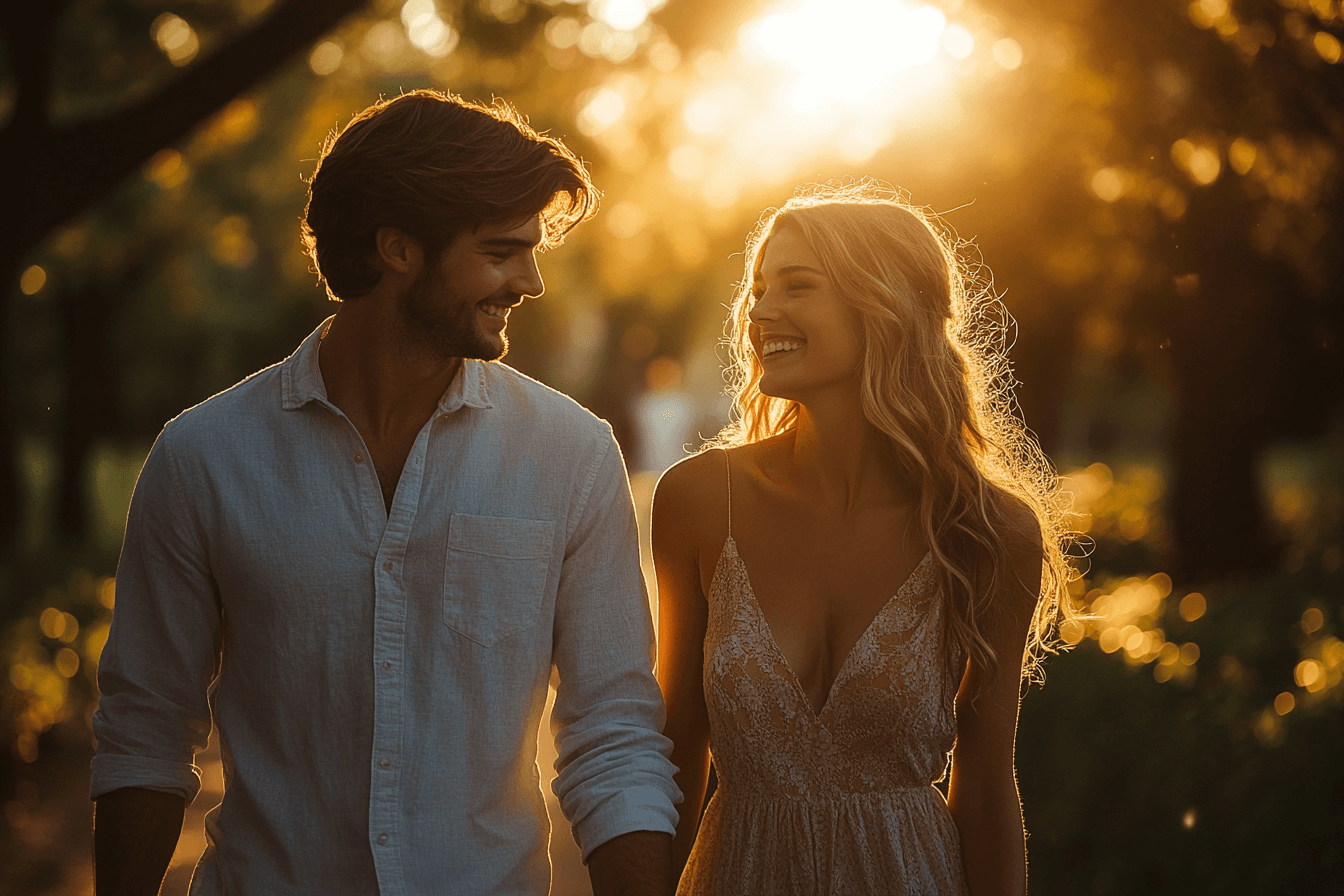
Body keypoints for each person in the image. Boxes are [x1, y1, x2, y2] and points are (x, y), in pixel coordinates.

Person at [90, 90, 680, 896]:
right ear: (398, 249)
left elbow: (613, 733)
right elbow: (146, 729)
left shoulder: (570, 453)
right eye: (503, 251)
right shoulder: (203, 458)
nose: (532, 282)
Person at [653, 183, 1074, 895]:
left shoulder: (989, 531)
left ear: (882, 304)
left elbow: (985, 786)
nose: (759, 311)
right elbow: (676, 748)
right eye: (756, 289)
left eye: (796, 286)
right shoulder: (699, 501)